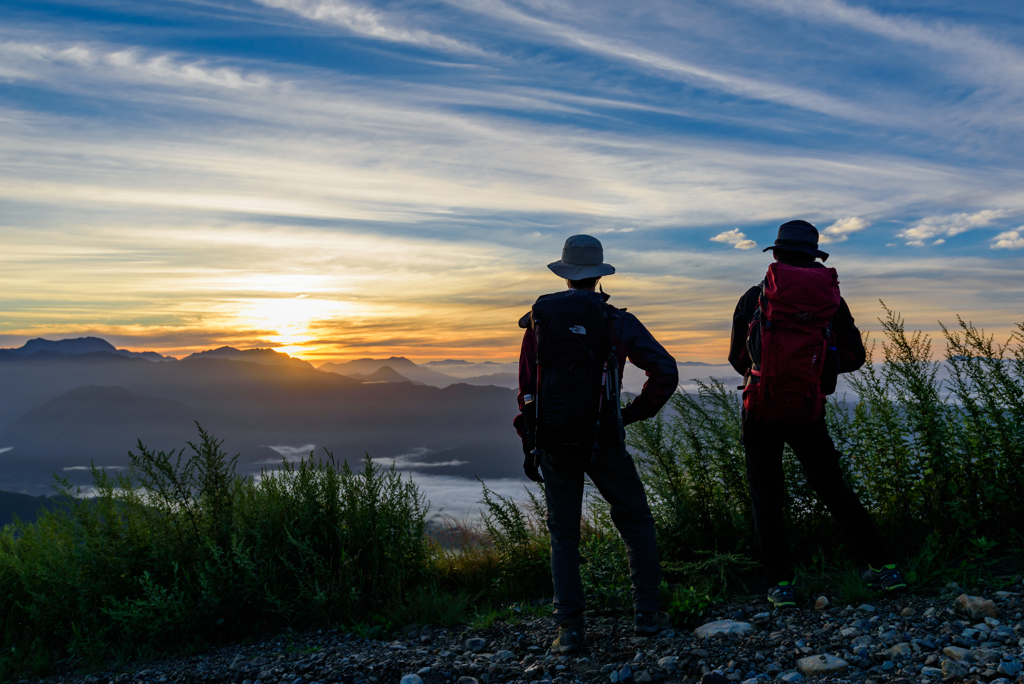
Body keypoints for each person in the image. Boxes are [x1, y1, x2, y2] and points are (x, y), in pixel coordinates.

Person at [514, 234, 679, 653]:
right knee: (636, 520)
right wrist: (630, 415)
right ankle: (646, 615)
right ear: (599, 276)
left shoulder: (538, 322)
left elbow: (527, 389)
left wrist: (531, 439)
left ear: (566, 275)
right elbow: (666, 371)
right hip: (605, 439)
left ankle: (569, 630)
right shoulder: (616, 321)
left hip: (552, 441)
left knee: (563, 534)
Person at [729, 220, 907, 608]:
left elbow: (737, 358)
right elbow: (855, 356)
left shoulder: (754, 298)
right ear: (813, 257)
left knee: (767, 495)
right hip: (808, 408)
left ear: (775, 256)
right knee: (832, 487)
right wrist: (814, 371)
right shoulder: (831, 303)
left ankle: (782, 585)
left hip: (760, 406)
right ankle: (885, 567)